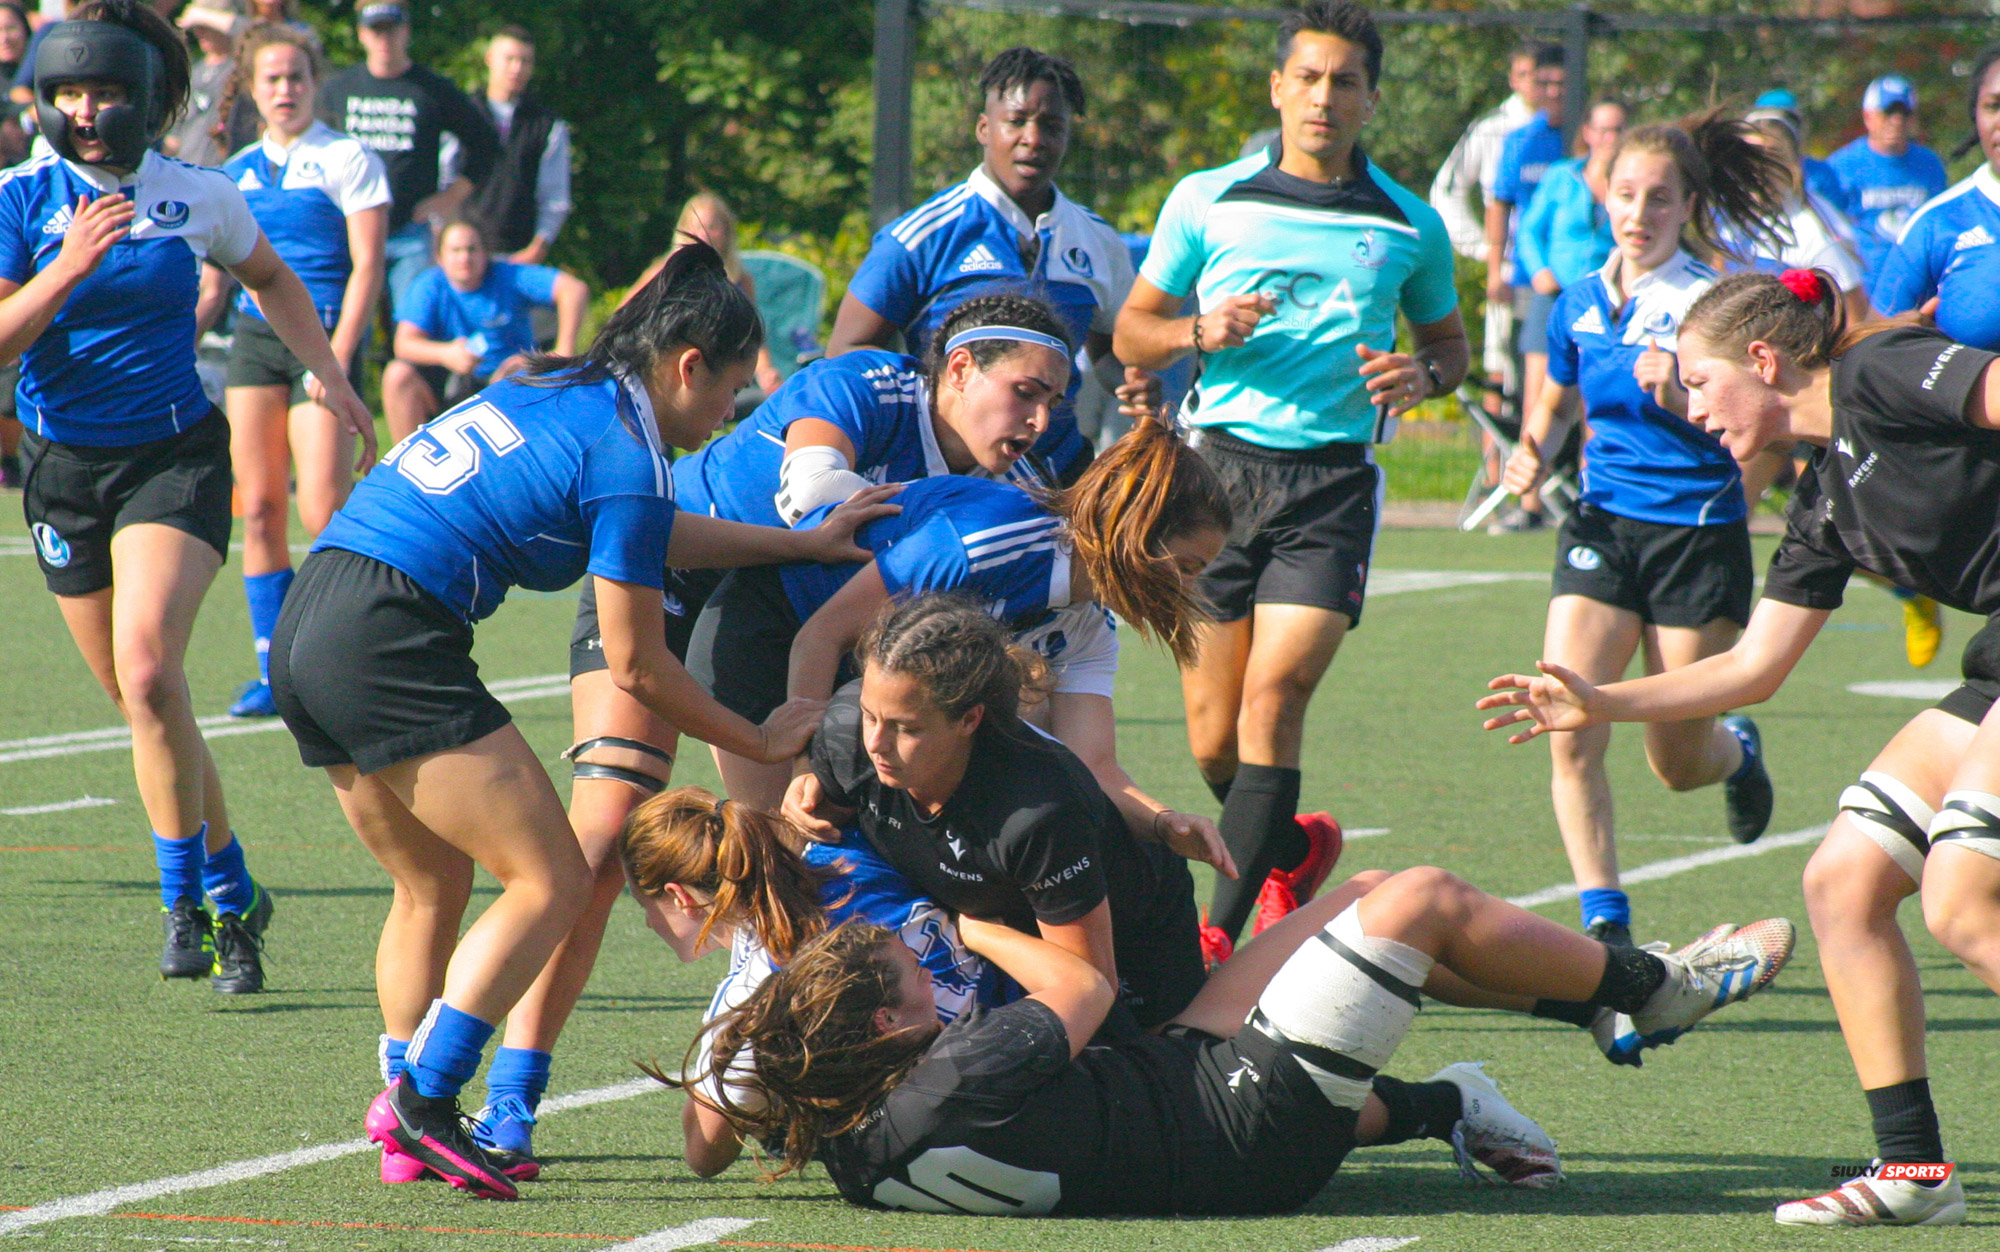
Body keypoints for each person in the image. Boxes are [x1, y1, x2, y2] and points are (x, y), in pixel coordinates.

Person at [270, 243, 898, 1198]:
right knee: (554, 876)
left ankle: (403, 1119)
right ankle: (426, 1101)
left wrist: (797, 543)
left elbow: (648, 525)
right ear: (688, 364)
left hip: (313, 611)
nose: (728, 413)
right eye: (730, 389)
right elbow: (641, 666)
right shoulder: (630, 446)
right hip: (386, 635)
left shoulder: (558, 389)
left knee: (432, 882)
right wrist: (760, 737)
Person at [1477, 267, 2000, 1226]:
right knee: (1842, 882)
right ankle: (1915, 1173)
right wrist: (1595, 701)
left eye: (1697, 380)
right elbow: (1753, 669)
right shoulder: (1825, 494)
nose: (1688, 405)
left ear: (1763, 361)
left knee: (1964, 898)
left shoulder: (1879, 370)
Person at [697, 859, 1794, 1213]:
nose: (930, 967)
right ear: (886, 1023)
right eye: (909, 973)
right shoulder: (954, 1070)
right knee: (1411, 902)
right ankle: (1657, 987)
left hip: (1181, 1095)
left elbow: (730, 1110)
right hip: (1241, 1125)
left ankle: (1527, 1044)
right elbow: (1080, 980)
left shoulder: (846, 1133)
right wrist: (976, 920)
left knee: (1356, 891)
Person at [6, 0, 374, 993]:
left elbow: (270, 277)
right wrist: (68, 269)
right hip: (60, 471)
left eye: (108, 91)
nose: (86, 112)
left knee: (150, 670)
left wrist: (328, 376)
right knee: (142, 699)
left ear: (151, 97)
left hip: (173, 459)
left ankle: (182, 905)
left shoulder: (195, 194)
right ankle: (235, 886)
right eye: (67, 93)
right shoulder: (18, 199)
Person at [1114, 0, 1468, 961]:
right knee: (1213, 742)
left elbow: (1449, 345)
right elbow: (1131, 329)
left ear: (1370, 99)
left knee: (1275, 702)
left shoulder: (1409, 224)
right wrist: (1199, 331)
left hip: (1329, 488)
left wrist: (1422, 375)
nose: (1324, 97)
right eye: (1307, 78)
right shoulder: (1207, 201)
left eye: (1344, 81)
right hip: (1213, 484)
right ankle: (1288, 850)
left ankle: (1214, 942)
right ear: (1277, 88)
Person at [1500, 116, 1790, 956]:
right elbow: (1556, 397)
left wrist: (1677, 396)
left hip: (1695, 536)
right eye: (1626, 194)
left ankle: (1735, 753)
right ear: (1605, 197)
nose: (1640, 211)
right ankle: (1607, 927)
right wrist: (1527, 454)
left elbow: (1760, 427)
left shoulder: (1712, 305)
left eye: (1660, 197)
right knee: (1568, 719)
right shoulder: (1580, 301)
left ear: (1689, 205)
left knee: (1675, 761)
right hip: (1601, 527)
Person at [783, 594, 1231, 1040]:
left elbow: (1088, 989)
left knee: (1151, 1063)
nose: (877, 742)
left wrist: (977, 932)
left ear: (969, 719)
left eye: (907, 728)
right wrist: (801, 798)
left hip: (1126, 937)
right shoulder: (850, 736)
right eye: (869, 715)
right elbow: (829, 830)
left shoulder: (1036, 812)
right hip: (987, 925)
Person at [624, 786, 992, 1179]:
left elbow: (705, 1154)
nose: (648, 921)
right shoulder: (847, 846)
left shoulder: (760, 996)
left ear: (679, 896)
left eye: (640, 902)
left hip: (967, 1111)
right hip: (1033, 1012)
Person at [829, 46, 1154, 483]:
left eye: (1052, 126)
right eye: (1016, 121)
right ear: (985, 127)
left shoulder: (1099, 240)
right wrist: (936, 404)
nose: (1033, 139)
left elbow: (1108, 355)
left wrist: (1132, 385)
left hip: (1056, 474)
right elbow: (844, 350)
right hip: (940, 477)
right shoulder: (922, 236)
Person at [208, 22, 388, 720]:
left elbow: (368, 262)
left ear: (316, 83)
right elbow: (216, 278)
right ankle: (275, 672)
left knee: (321, 508)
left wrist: (336, 357)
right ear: (252, 90)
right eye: (272, 79)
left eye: (298, 77)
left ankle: (354, 653)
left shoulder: (346, 157)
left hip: (322, 342)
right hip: (254, 342)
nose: (286, 90)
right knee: (256, 508)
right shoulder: (236, 169)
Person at [319, 1, 498, 313]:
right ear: (362, 35)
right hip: (349, 231)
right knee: (344, 324)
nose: (384, 39)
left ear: (406, 32)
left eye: (392, 29)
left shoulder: (432, 89)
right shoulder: (337, 89)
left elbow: (486, 144)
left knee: (412, 327)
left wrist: (450, 198)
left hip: (409, 234)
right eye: (376, 30)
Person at [382, 211, 588, 442]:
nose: (464, 258)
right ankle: (408, 468)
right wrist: (446, 354)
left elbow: (573, 289)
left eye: (472, 249)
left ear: (486, 253)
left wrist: (564, 350)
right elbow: (403, 344)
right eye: (456, 251)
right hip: (447, 385)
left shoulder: (507, 275)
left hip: (503, 382)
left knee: (518, 369)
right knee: (397, 375)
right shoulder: (429, 284)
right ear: (439, 257)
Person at [1429, 44, 1540, 422]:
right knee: (1502, 367)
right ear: (1514, 78)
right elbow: (1446, 190)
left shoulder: (1572, 125)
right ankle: (1498, 473)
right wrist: (1483, 248)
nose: (1536, 86)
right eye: (1526, 75)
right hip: (1511, 271)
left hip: (1559, 270)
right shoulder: (1493, 128)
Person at [1487, 43, 1567, 487]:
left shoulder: (1582, 138)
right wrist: (1494, 269)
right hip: (1527, 280)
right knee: (1523, 384)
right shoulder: (1521, 140)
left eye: (1561, 82)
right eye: (1546, 82)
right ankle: (1519, 487)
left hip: (1577, 279)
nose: (1554, 90)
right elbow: (1499, 205)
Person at [460, 26, 569, 268]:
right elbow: (443, 180)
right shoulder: (462, 114)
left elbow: (555, 197)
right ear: (489, 59)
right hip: (461, 256)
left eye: (525, 61)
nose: (517, 68)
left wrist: (537, 249)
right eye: (509, 59)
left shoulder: (546, 125)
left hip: (519, 257)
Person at [1827, 75, 1947, 296]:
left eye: (1904, 113)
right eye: (1888, 112)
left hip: (1918, 288)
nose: (1896, 120)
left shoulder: (1929, 164)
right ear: (1868, 117)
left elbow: (1939, 226)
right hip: (1864, 290)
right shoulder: (1841, 166)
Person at [167, 3, 236, 166]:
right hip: (188, 165)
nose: (199, 34)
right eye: (196, 28)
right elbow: (176, 131)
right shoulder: (195, 71)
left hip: (224, 166)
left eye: (205, 28)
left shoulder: (238, 70)